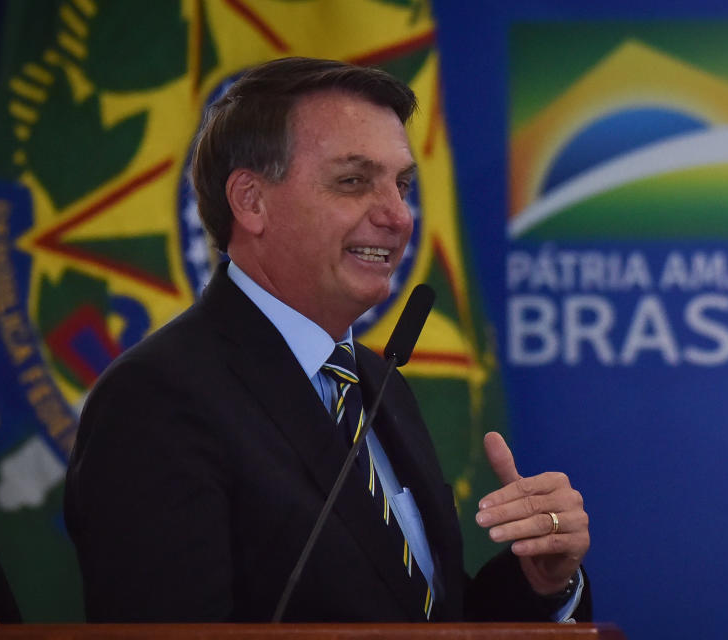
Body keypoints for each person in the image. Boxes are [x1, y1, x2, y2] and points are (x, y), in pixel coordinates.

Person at [64, 57, 590, 623]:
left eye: (403, 184)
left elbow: (425, 619)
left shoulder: (377, 384)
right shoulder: (157, 399)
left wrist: (544, 586)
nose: (398, 215)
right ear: (251, 201)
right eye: (353, 181)